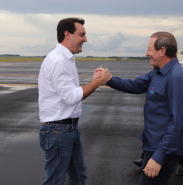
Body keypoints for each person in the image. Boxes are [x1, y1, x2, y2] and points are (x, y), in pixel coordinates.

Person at [95, 32, 183, 185]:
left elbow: (178, 122)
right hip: (154, 144)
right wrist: (109, 79)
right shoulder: (158, 72)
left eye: (149, 50)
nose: (147, 54)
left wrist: (159, 157)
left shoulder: (175, 78)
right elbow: (135, 85)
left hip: (163, 148)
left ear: (162, 51)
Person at [38, 17, 111, 185]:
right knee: (55, 181)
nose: (85, 39)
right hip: (58, 130)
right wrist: (98, 82)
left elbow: (69, 92)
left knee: (78, 176)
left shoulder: (65, 58)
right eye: (82, 35)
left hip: (67, 128)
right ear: (67, 34)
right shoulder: (59, 60)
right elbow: (71, 97)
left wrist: (94, 81)